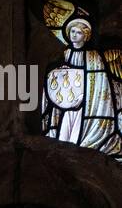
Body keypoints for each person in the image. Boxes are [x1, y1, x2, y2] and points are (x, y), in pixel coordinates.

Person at [43, 15, 122, 158]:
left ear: (85, 36)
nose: (74, 35)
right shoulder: (65, 54)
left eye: (78, 32)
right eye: (72, 31)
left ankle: (80, 150)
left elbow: (99, 80)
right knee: (63, 135)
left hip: (87, 104)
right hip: (67, 104)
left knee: (76, 136)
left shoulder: (94, 57)